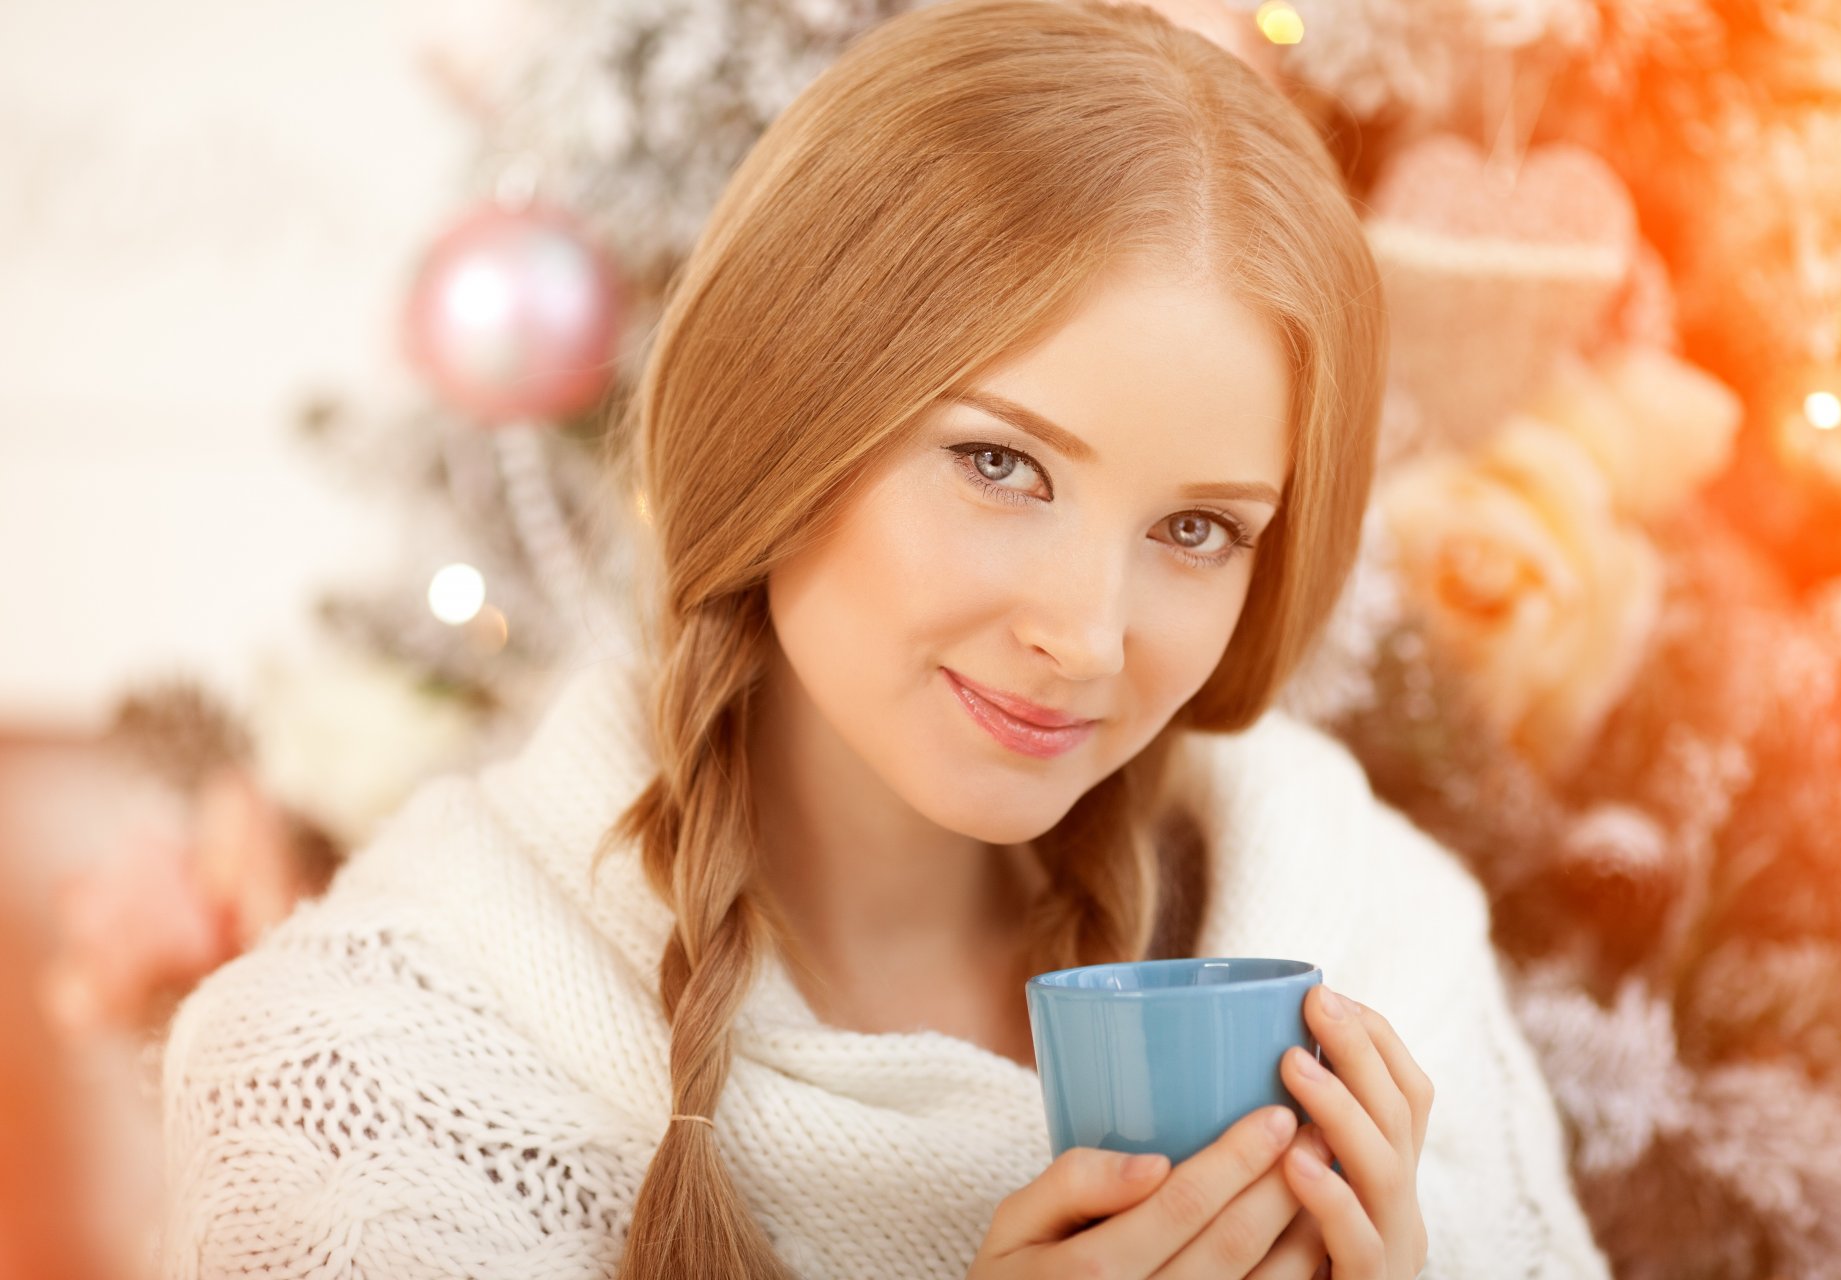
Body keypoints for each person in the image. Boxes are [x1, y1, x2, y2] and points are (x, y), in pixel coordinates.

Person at [159, 1, 1613, 1277]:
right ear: (784, 421)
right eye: (1000, 466)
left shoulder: (1379, 940)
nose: (1086, 638)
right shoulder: (357, 1076)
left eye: (1197, 530)